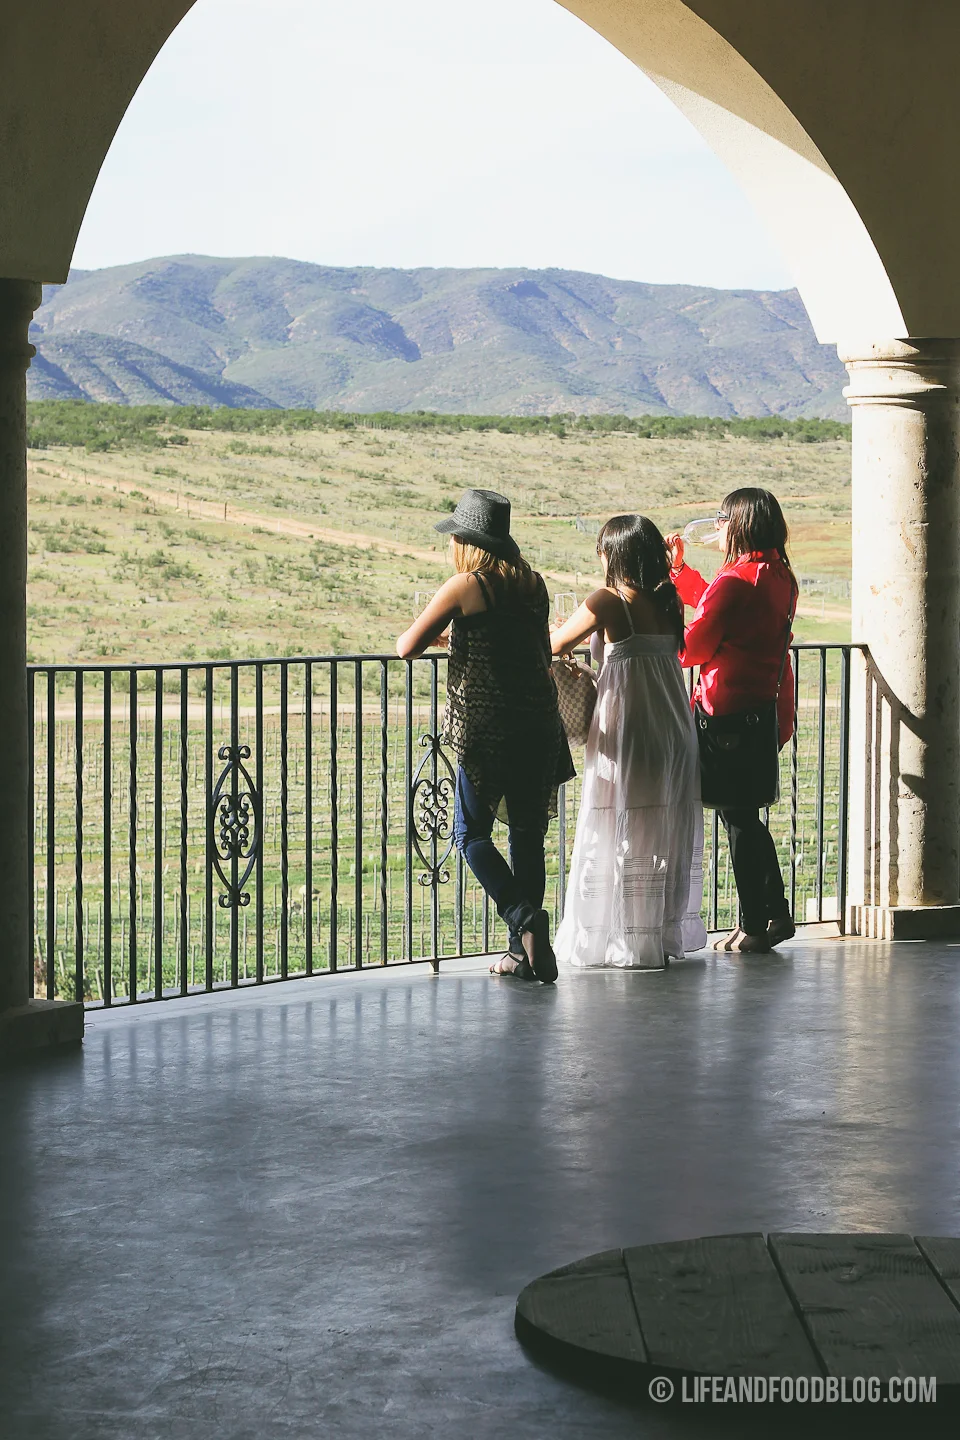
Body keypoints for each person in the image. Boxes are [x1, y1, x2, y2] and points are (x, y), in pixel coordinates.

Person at [396, 488, 574, 983]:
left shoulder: (465, 586)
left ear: (467, 543)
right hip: (539, 724)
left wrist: (443, 634)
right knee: (526, 835)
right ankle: (523, 955)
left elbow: (407, 646)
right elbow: (521, 642)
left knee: (469, 834)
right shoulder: (532, 583)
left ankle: (524, 918)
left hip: (489, 732)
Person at [549, 515, 706, 970]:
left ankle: (618, 935)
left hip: (628, 728)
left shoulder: (607, 600)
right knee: (658, 828)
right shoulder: (668, 601)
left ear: (614, 555)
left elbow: (553, 643)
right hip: (672, 726)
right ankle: (655, 933)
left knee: (616, 826)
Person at [666, 487, 798, 954]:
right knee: (746, 817)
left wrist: (664, 618)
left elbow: (693, 647)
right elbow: (719, 605)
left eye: (723, 518)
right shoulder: (779, 576)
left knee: (738, 819)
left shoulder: (736, 581)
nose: (717, 525)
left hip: (724, 716)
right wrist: (682, 574)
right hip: (762, 710)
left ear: (739, 524)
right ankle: (775, 913)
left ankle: (755, 923)